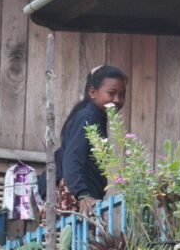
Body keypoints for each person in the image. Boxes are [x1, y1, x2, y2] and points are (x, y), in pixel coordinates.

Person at [53, 65, 128, 214]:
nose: (117, 100)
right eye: (111, 93)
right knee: (72, 236)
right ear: (93, 92)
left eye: (122, 94)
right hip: (77, 197)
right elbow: (72, 157)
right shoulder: (87, 117)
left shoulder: (97, 116)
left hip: (85, 195)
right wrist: (83, 195)